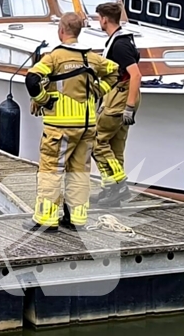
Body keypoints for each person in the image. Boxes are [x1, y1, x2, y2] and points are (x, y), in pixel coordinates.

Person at [24, 12, 118, 232]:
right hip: (87, 126)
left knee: (51, 171)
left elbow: (32, 79)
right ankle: (76, 219)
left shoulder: (54, 57)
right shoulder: (92, 57)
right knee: (79, 172)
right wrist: (97, 91)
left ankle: (46, 220)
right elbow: (116, 72)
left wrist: (44, 100)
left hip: (60, 127)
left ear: (61, 31)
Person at [93, 1, 142, 206]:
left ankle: (119, 182)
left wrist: (129, 108)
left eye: (98, 18)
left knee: (97, 141)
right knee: (115, 145)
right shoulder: (121, 39)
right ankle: (111, 192)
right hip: (123, 97)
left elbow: (135, 74)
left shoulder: (120, 45)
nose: (98, 22)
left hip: (120, 98)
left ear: (104, 19)